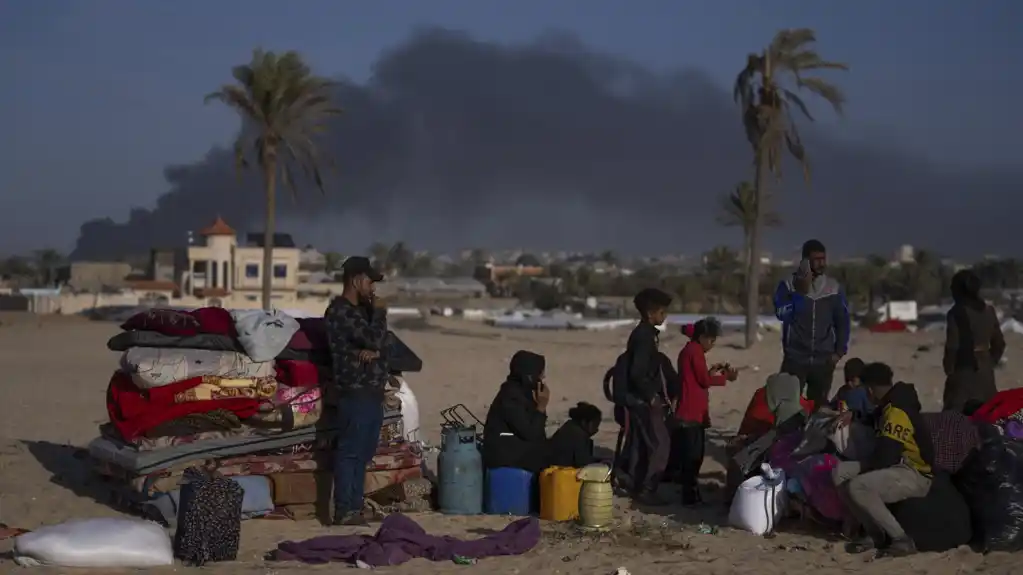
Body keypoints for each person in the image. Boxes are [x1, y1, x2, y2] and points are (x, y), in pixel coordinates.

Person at [832, 362, 934, 557]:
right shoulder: (888, 405)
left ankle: (900, 539)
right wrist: (854, 414)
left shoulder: (897, 411)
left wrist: (864, 468)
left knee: (858, 486)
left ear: (870, 390)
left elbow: (886, 457)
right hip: (897, 466)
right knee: (839, 472)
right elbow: (873, 418)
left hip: (915, 474)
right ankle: (874, 533)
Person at [325, 256, 388, 526]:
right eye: (370, 281)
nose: (372, 287)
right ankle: (344, 508)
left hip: (372, 391)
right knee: (350, 451)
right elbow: (375, 338)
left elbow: (384, 345)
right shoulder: (340, 312)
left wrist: (375, 350)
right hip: (355, 390)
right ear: (356, 280)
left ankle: (356, 505)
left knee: (363, 451)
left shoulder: (363, 313)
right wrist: (381, 315)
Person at [773, 239, 851, 409]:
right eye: (816, 259)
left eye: (823, 259)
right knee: (787, 406)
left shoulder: (834, 288)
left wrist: (839, 351)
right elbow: (781, 314)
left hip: (824, 360)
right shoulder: (787, 285)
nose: (821, 263)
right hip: (795, 358)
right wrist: (800, 293)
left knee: (819, 409)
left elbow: (843, 321)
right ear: (805, 261)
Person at [674, 318, 737, 505]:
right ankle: (690, 496)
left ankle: (691, 494)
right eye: (711, 340)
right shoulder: (694, 351)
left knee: (693, 455)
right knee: (693, 456)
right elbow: (703, 381)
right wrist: (726, 377)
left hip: (692, 410)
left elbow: (698, 377)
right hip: (691, 411)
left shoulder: (691, 350)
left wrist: (713, 371)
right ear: (702, 337)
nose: (712, 344)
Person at [622, 288, 673, 505]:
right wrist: (651, 395)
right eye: (662, 312)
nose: (665, 316)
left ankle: (634, 484)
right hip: (642, 399)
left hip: (636, 399)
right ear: (651, 313)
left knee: (640, 443)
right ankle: (647, 489)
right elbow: (637, 371)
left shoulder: (644, 333)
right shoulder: (644, 337)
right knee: (660, 444)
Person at [943, 269, 1006, 412]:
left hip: (963, 371)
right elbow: (999, 343)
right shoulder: (989, 311)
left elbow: (952, 346)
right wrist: (990, 362)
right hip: (986, 373)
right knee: (988, 415)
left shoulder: (956, 312)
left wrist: (949, 369)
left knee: (954, 418)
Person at [482, 350, 550, 474]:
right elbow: (529, 433)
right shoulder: (511, 397)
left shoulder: (523, 392)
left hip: (513, 450)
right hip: (505, 458)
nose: (543, 378)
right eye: (540, 374)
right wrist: (541, 406)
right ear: (529, 376)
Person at [547, 402, 602, 468]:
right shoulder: (578, 435)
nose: (596, 428)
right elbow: (583, 464)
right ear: (584, 422)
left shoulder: (569, 426)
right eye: (595, 425)